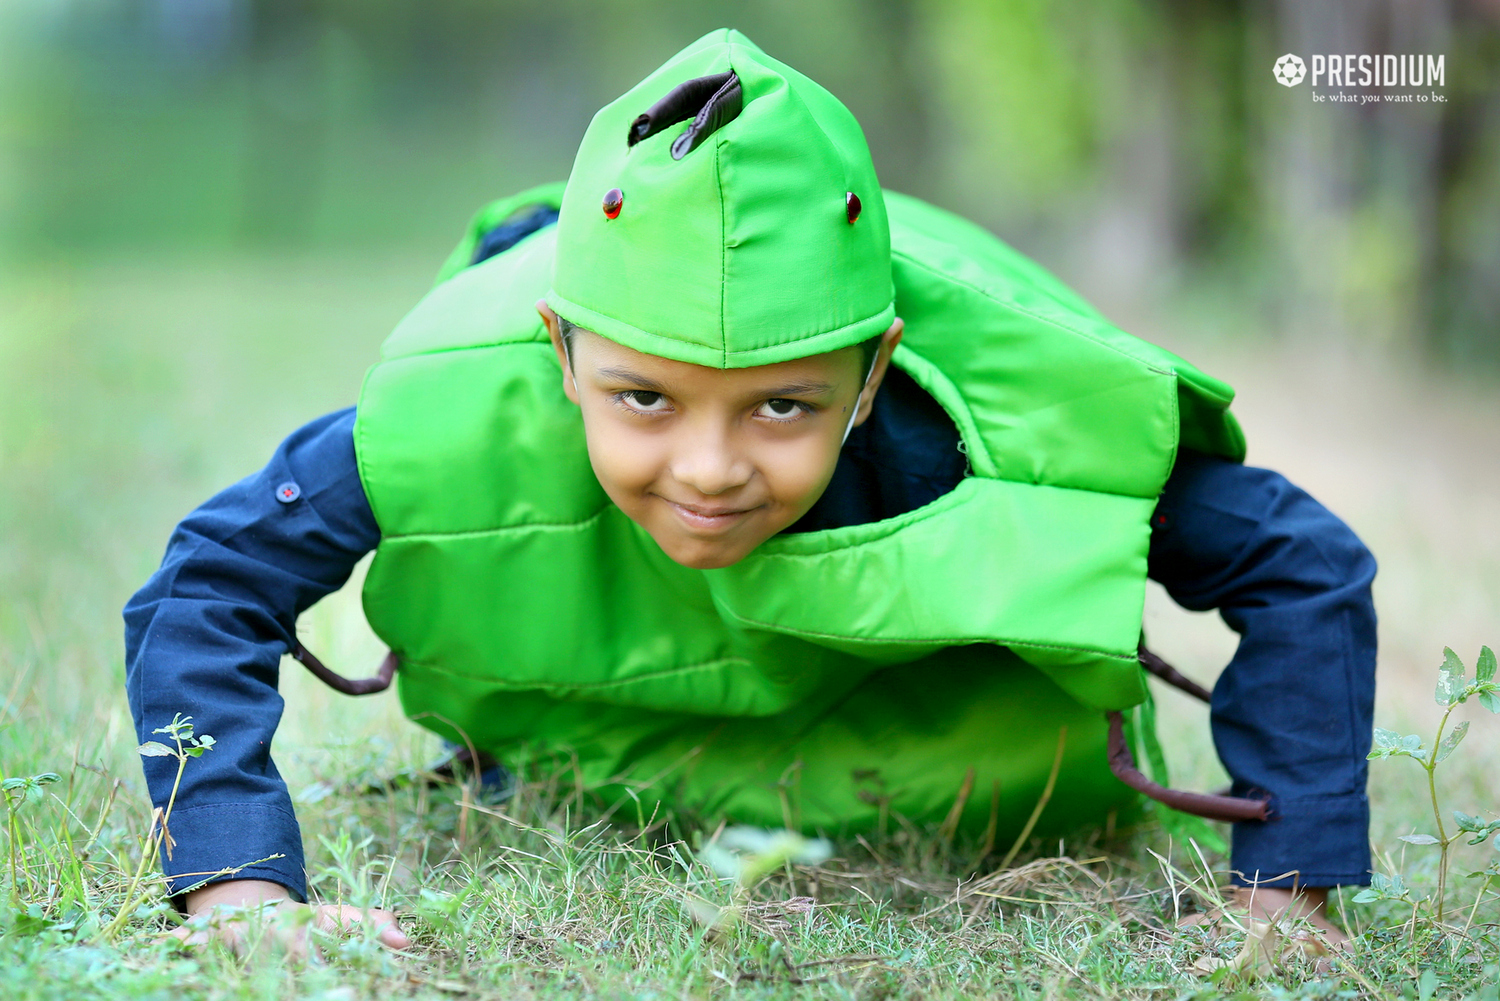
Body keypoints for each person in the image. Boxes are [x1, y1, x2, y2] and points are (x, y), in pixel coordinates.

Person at [124, 29, 1376, 954]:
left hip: (956, 784)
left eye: (783, 405)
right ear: (561, 350)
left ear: (875, 370)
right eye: (644, 399)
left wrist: (1289, 896)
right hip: (598, 758)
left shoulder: (988, 431)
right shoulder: (463, 409)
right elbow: (209, 583)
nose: (712, 468)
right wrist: (240, 890)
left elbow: (1301, 562)